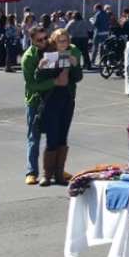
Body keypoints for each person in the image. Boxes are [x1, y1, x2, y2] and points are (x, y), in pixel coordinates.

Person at [21, 25, 68, 185]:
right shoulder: (28, 57)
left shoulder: (52, 49)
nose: (43, 42)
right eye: (39, 40)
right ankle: (31, 171)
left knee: (53, 136)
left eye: (45, 38)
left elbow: (70, 49)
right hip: (35, 101)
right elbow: (31, 85)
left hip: (53, 100)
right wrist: (54, 81)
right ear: (32, 41)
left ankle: (55, 169)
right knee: (34, 137)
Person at [36, 28, 83, 187]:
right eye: (60, 41)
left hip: (67, 100)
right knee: (52, 136)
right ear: (54, 42)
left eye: (65, 41)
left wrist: (75, 66)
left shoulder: (71, 55)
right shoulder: (47, 56)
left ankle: (59, 173)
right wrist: (41, 68)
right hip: (51, 100)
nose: (63, 44)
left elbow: (77, 78)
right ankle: (46, 175)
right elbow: (38, 80)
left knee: (63, 136)